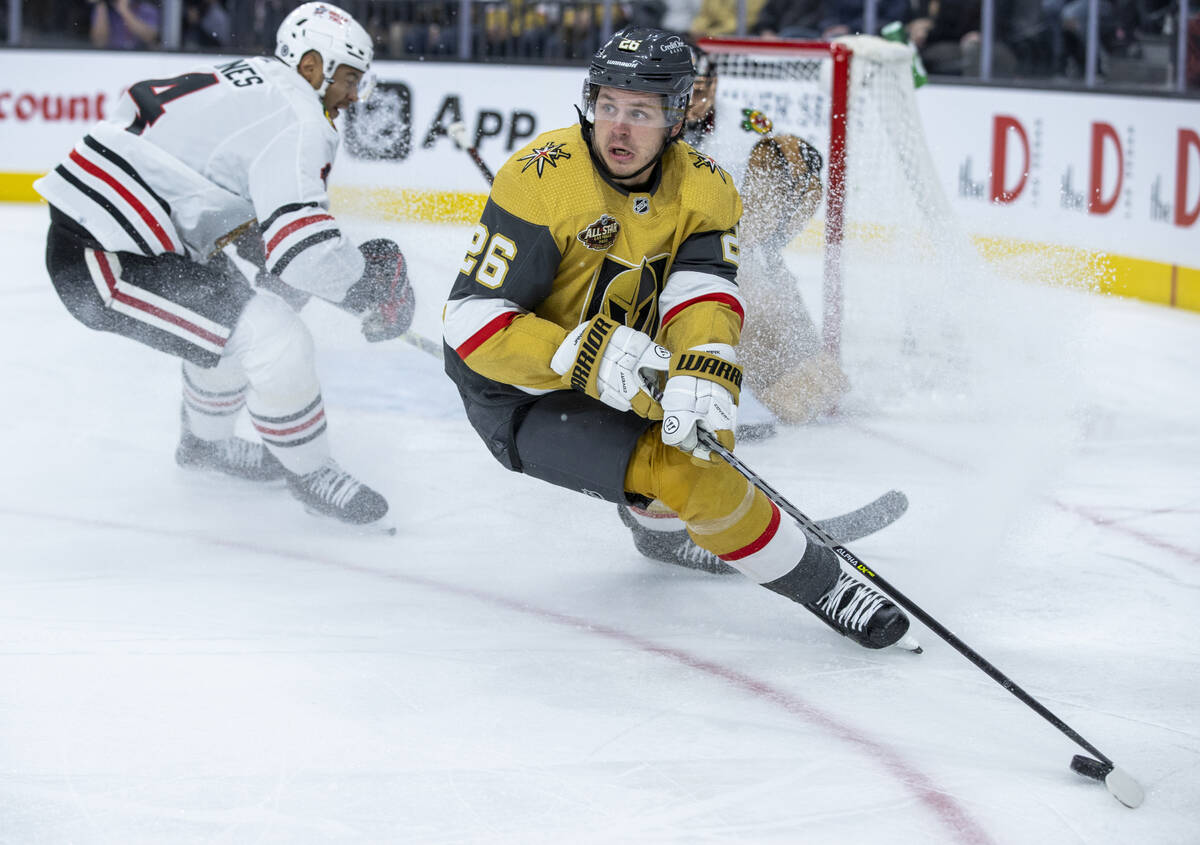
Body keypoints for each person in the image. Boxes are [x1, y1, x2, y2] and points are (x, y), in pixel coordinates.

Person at [442, 27, 915, 651]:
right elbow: (469, 323)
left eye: (639, 112)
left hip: (628, 358)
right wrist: (580, 352)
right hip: (519, 391)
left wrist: (705, 359)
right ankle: (828, 587)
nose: (618, 128)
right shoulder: (543, 177)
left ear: (676, 115)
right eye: (608, 105)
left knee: (706, 414)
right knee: (696, 474)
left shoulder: (706, 187)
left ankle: (663, 526)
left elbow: (702, 293)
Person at [36, 2, 414, 528]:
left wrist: (274, 247)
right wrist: (367, 290)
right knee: (274, 337)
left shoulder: (257, 79)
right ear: (311, 66)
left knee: (235, 324)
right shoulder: (301, 118)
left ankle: (205, 448)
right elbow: (304, 248)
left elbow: (215, 178)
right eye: (349, 78)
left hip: (133, 238)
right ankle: (309, 472)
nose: (353, 95)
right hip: (107, 256)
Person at [620, 37, 847, 575]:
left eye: (700, 87)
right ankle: (661, 505)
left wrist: (783, 194)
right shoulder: (638, 132)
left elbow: (775, 200)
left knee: (816, 388)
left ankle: (739, 396)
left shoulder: (747, 131)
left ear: (713, 86)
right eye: (681, 89)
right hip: (656, 273)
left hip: (732, 262)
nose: (691, 98)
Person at [90, 0, 160, 50]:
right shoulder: (103, 10)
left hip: (142, 56)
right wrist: (100, 4)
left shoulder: (146, 8)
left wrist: (123, 9)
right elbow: (99, 42)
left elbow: (151, 37)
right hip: (112, 57)